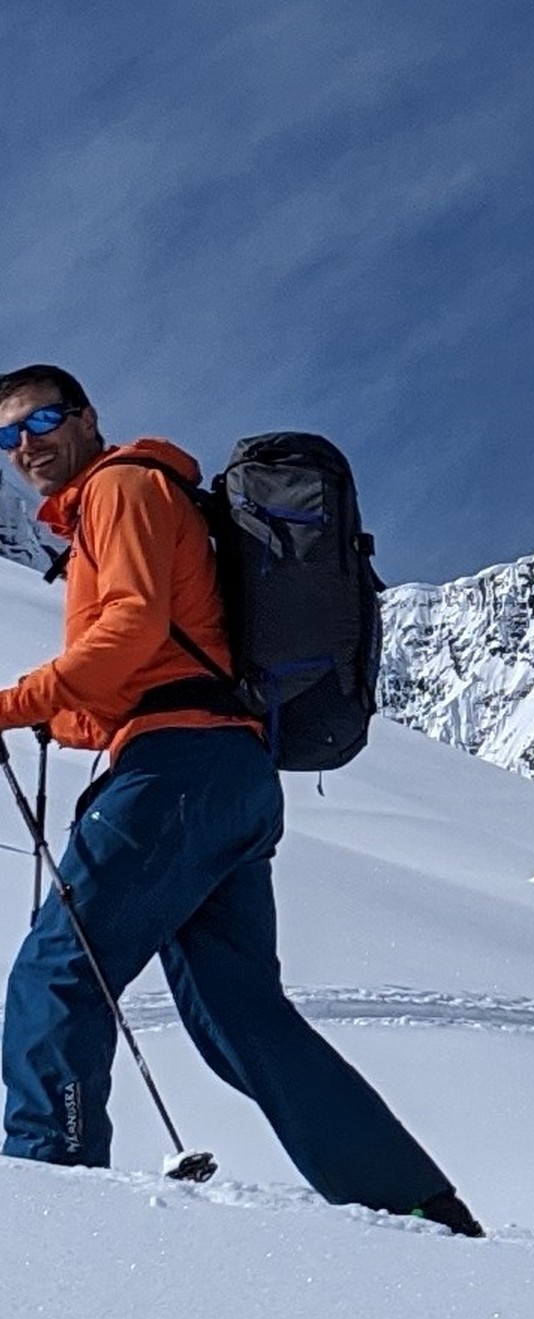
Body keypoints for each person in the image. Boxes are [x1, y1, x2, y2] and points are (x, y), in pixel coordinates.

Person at [0, 363, 480, 1236]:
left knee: (57, 975)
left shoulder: (118, 487)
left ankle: (44, 1194)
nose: (26, 446)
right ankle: (412, 1202)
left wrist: (13, 701)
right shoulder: (139, 495)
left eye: (41, 421)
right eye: (7, 437)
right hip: (227, 771)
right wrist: (57, 716)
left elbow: (132, 628)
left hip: (175, 771)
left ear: (87, 417)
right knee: (240, 1014)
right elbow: (149, 660)